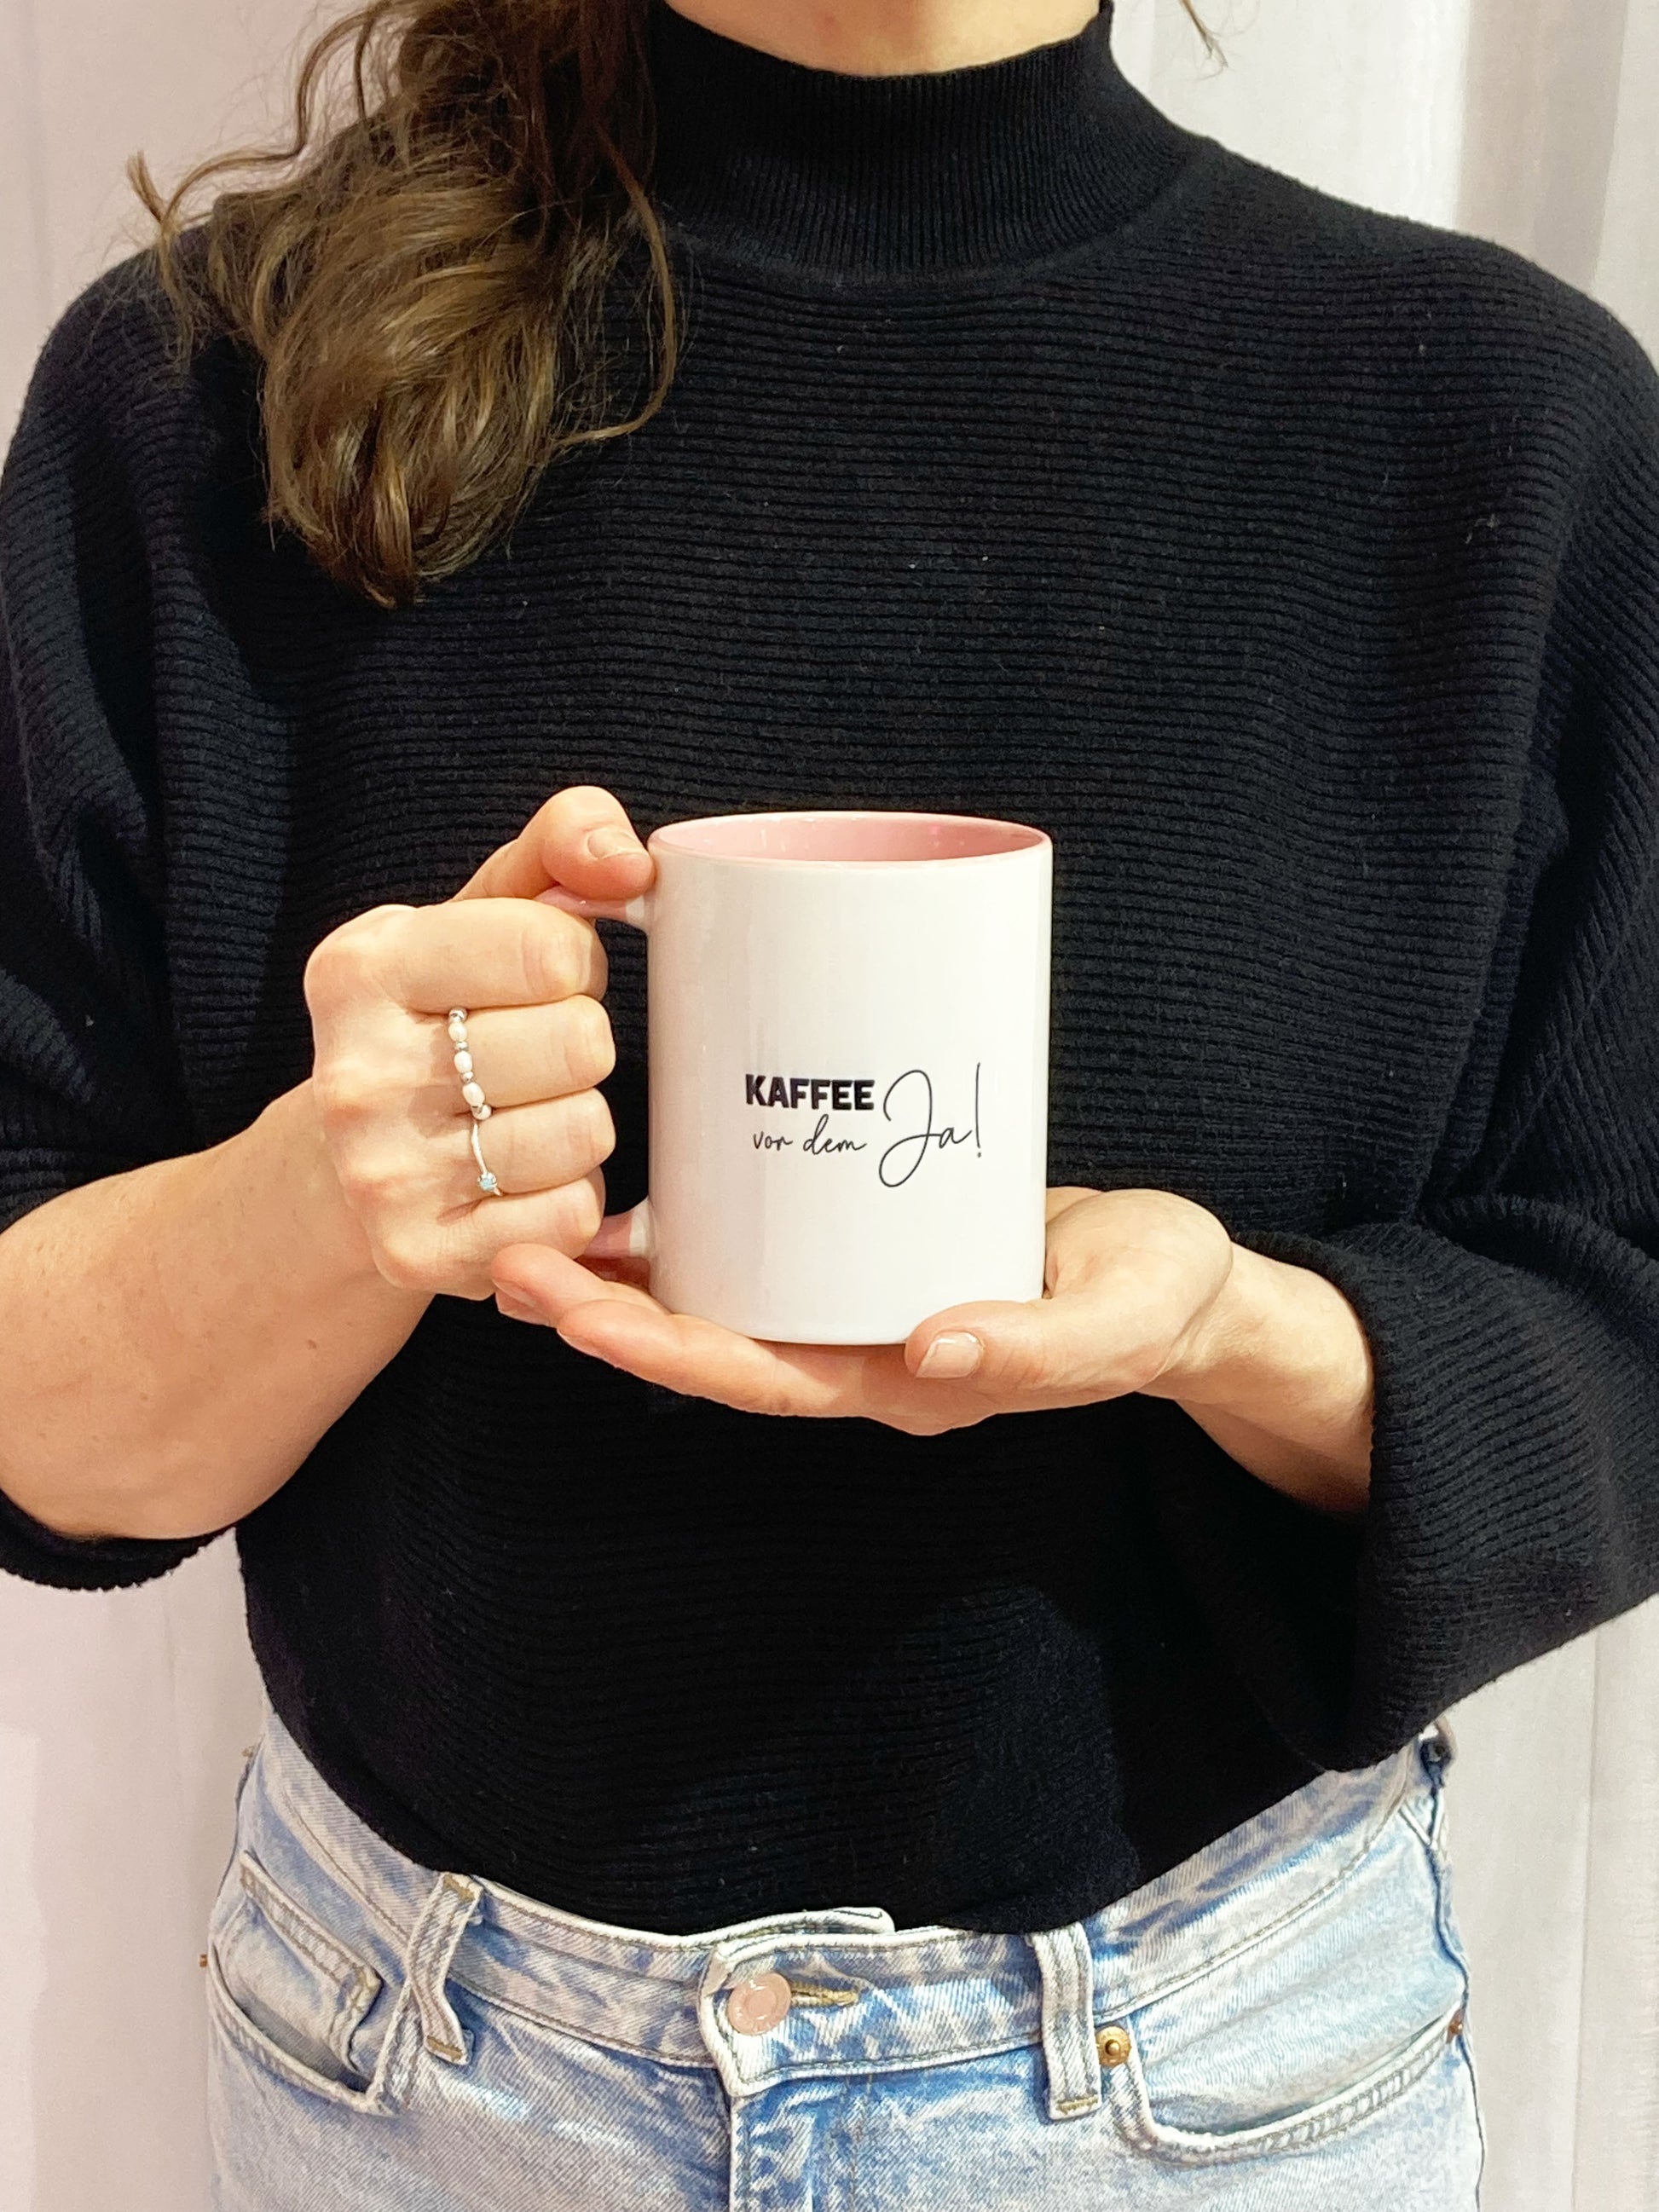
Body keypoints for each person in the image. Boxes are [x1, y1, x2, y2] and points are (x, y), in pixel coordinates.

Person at [1, 0, 1655, 2201]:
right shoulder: (217, 397)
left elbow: (1629, 1306)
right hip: (423, 2097)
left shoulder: (1495, 430)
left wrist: (1229, 1329)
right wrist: (321, 1202)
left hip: (1218, 2101)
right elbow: (33, 1417)